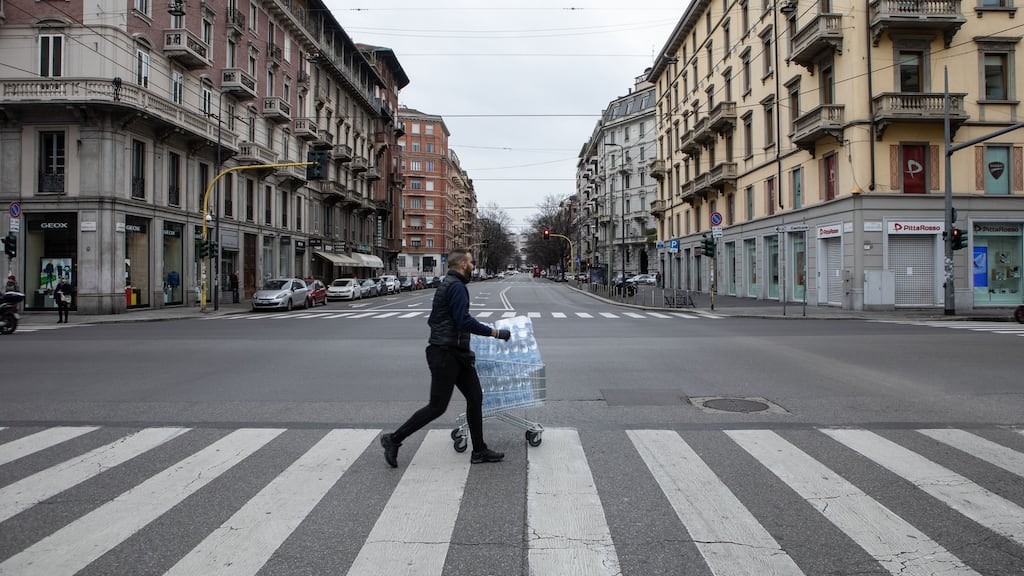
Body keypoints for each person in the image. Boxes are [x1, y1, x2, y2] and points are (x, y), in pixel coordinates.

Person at [380, 248, 511, 468]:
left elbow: (438, 320)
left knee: (475, 398)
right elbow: (463, 321)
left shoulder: (450, 285)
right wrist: (495, 333)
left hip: (456, 352)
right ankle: (393, 439)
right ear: (462, 265)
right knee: (437, 406)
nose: (473, 265)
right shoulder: (456, 287)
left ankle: (479, 450)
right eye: (471, 262)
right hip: (445, 353)